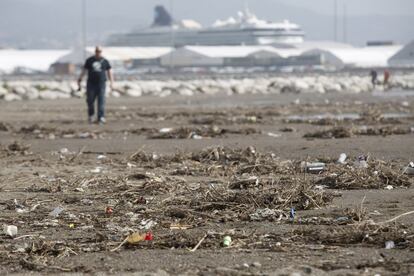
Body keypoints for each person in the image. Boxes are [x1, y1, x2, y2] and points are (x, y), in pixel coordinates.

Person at [78, 46, 114, 124]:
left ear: (101, 52)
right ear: (95, 52)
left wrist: (111, 82)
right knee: (90, 101)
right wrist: (80, 79)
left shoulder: (105, 61)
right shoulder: (89, 60)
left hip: (101, 84)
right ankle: (91, 116)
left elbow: (109, 71)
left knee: (101, 101)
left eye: (100, 51)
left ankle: (101, 117)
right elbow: (84, 70)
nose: (98, 53)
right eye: (97, 51)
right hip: (91, 84)